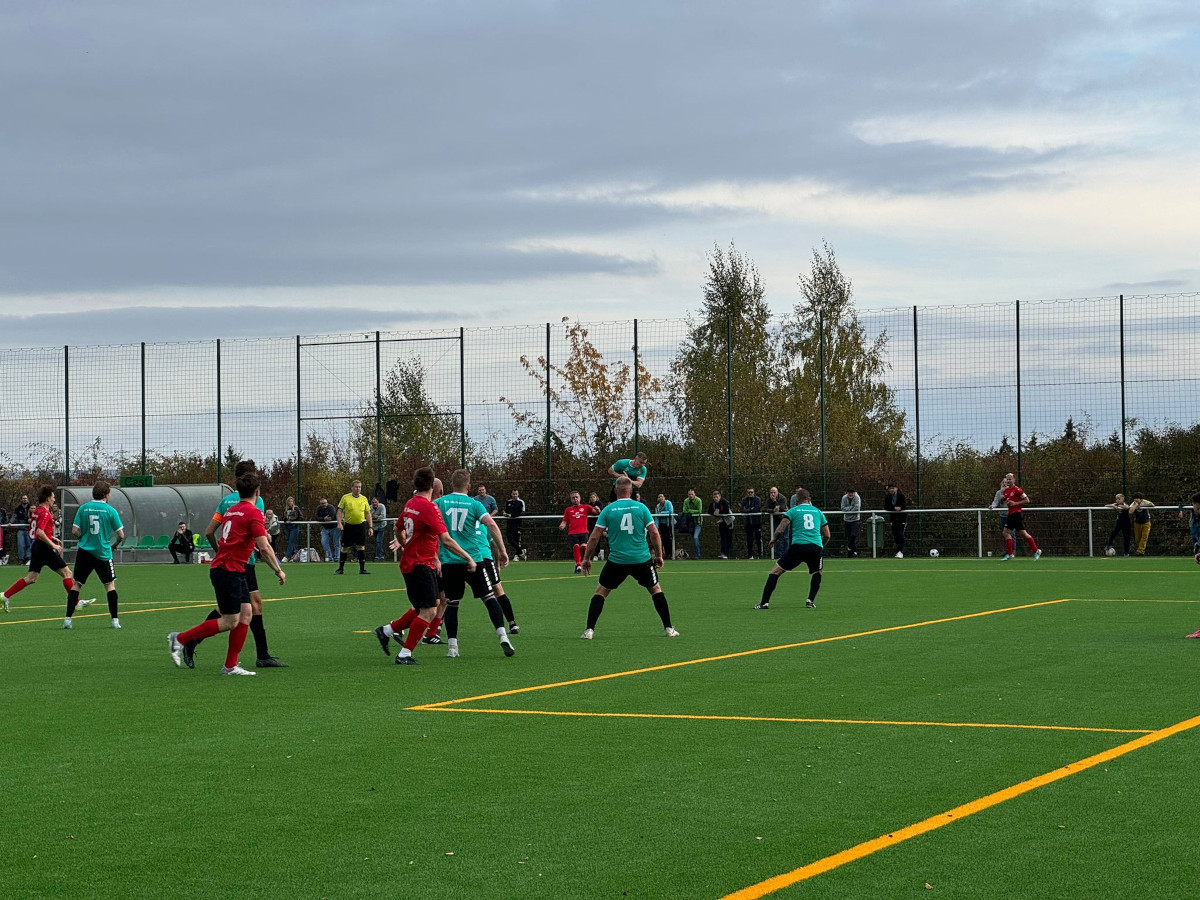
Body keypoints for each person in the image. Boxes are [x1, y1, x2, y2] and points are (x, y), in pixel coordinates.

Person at [169, 473, 286, 675]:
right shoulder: (254, 512)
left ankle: (230, 666)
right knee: (230, 621)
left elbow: (217, 532)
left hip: (232, 569)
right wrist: (278, 569)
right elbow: (265, 547)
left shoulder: (231, 510)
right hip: (228, 571)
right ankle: (180, 639)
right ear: (257, 493)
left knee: (246, 614)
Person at [372, 467, 475, 666]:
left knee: (427, 606)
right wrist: (468, 557)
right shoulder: (429, 508)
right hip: (419, 565)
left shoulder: (411, 504)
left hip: (416, 562)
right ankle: (404, 654)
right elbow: (446, 539)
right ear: (432, 486)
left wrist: (406, 546)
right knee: (429, 611)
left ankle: (386, 631)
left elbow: (398, 527)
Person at [422, 469, 516, 658]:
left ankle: (452, 647)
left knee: (453, 603)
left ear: (451, 485)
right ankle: (503, 636)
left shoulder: (439, 502)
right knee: (489, 598)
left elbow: (424, 524)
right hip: (473, 559)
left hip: (449, 562)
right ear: (469, 486)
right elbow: (491, 524)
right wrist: (503, 551)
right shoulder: (474, 504)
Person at [579, 475, 677, 640]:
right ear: (631, 491)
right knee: (655, 590)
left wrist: (586, 559)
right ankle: (669, 628)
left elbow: (594, 537)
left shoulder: (608, 510)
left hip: (617, 561)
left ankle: (589, 631)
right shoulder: (641, 508)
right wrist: (659, 555)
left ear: (616, 490)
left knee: (601, 592)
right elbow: (654, 533)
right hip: (642, 560)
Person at [2, 486, 74, 614]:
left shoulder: (37, 511)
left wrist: (52, 537)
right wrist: (53, 545)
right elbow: (40, 532)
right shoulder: (45, 513)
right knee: (67, 573)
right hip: (44, 547)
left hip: (37, 546)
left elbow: (36, 531)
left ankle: (5, 595)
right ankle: (76, 602)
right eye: (53, 496)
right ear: (47, 499)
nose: (54, 499)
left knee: (31, 578)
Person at [756, 488, 830, 610]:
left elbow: (781, 528)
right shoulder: (818, 512)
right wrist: (821, 545)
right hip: (815, 547)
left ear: (797, 500)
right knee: (818, 572)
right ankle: (810, 601)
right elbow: (827, 535)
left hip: (798, 547)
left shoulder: (793, 511)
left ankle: (764, 603)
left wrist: (774, 539)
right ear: (809, 499)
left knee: (775, 572)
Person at [65, 480, 126, 629]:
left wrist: (83, 539)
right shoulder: (110, 511)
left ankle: (67, 620)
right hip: (103, 553)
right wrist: (115, 545)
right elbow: (121, 535)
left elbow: (74, 530)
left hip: (84, 552)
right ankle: (115, 621)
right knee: (109, 585)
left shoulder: (84, 508)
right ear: (106, 494)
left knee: (77, 584)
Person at [335, 480, 374, 575]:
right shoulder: (345, 497)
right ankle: (340, 569)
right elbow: (339, 511)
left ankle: (362, 569)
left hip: (360, 526)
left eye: (359, 487)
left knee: (361, 546)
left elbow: (368, 513)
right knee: (345, 547)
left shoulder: (364, 499)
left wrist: (370, 527)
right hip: (349, 526)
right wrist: (339, 523)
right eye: (356, 487)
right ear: (352, 487)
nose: (358, 489)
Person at [1001, 475, 1041, 561]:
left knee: (1006, 532)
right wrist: (1002, 499)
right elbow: (1003, 501)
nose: (1008, 481)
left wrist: (1015, 503)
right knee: (1022, 533)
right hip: (1011, 514)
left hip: (1016, 514)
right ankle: (1036, 550)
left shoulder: (1018, 490)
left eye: (1010, 479)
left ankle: (1010, 554)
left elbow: (1027, 500)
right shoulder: (1006, 491)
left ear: (1014, 480)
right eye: (1007, 479)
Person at [560, 490, 599, 574]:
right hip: (573, 533)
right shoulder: (568, 510)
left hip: (584, 532)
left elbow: (596, 513)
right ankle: (578, 565)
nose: (575, 499)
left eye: (576, 497)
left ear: (580, 498)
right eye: (573, 498)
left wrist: (597, 510)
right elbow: (564, 521)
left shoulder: (586, 507)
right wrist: (562, 525)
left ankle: (580, 563)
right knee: (576, 547)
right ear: (571, 500)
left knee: (584, 548)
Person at [764, 487, 789, 559]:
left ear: (777, 492)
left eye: (774, 492)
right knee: (776, 537)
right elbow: (766, 508)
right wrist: (773, 510)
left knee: (786, 537)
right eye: (771, 492)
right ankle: (778, 555)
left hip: (785, 519)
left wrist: (775, 501)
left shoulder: (783, 498)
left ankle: (786, 554)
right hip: (776, 520)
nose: (773, 494)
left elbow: (782, 508)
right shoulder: (769, 500)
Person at [883, 484, 907, 558]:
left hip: (901, 518)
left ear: (896, 488)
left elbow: (903, 506)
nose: (891, 490)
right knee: (895, 535)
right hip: (893, 519)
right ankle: (898, 551)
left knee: (900, 534)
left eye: (893, 488)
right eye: (890, 488)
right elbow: (886, 506)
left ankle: (901, 551)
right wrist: (894, 508)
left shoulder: (901, 496)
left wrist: (900, 508)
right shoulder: (888, 497)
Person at [1104, 492, 1131, 557]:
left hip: (1126, 523)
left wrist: (1121, 506)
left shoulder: (1125, 504)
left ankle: (1126, 552)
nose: (1117, 500)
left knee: (1126, 537)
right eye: (1116, 499)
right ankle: (1109, 545)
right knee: (1114, 533)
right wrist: (1113, 506)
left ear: (1123, 499)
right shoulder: (1115, 504)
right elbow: (1106, 505)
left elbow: (1127, 507)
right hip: (1119, 522)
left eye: (1119, 499)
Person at [708, 490, 732, 559]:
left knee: (729, 538)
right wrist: (714, 513)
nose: (715, 498)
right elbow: (709, 511)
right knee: (723, 538)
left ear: (720, 497)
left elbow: (726, 511)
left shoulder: (724, 502)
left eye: (717, 497)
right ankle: (723, 553)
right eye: (714, 497)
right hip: (721, 522)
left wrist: (719, 512)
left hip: (729, 521)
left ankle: (727, 553)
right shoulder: (713, 504)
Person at [991, 476, 1012, 553]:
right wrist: (992, 506)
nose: (1004, 484)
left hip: (1010, 515)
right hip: (1002, 515)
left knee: (1011, 533)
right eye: (1003, 482)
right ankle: (1006, 551)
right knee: (1004, 534)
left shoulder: (1011, 492)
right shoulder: (999, 493)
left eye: (1006, 482)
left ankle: (1012, 551)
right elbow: (995, 501)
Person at [316, 497, 340, 564]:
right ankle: (330, 557)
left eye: (325, 503)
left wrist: (324, 518)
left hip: (334, 527)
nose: (323, 504)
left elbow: (331, 517)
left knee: (336, 543)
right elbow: (316, 517)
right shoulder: (319, 509)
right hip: (325, 528)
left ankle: (337, 558)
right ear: (320, 504)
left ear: (327, 503)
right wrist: (324, 518)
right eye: (322, 503)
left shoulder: (331, 507)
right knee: (324, 543)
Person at [740, 487, 762, 559]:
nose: (750, 494)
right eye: (749, 492)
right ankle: (750, 555)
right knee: (749, 539)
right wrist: (750, 509)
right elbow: (742, 510)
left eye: (751, 492)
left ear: (754, 492)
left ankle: (760, 555)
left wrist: (748, 510)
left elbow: (756, 509)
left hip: (757, 523)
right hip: (748, 523)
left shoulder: (757, 499)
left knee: (758, 539)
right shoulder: (744, 500)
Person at [681, 488, 703, 559]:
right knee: (692, 539)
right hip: (689, 522)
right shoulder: (686, 501)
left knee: (695, 537)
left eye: (692, 494)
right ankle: (693, 555)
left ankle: (698, 555)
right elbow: (684, 511)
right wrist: (692, 511)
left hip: (698, 522)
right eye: (689, 494)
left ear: (695, 494)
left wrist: (690, 511)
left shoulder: (698, 500)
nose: (690, 496)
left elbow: (699, 511)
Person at [504, 489, 526, 559]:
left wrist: (512, 515)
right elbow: (506, 511)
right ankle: (521, 551)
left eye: (516, 494)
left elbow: (523, 513)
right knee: (510, 539)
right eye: (513, 494)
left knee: (517, 539)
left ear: (518, 494)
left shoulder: (521, 502)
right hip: (509, 524)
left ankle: (517, 555)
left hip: (517, 524)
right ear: (511, 494)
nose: (514, 495)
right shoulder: (508, 502)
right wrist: (505, 513)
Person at [840, 489, 861, 558]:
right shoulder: (844, 498)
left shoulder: (857, 498)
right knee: (849, 537)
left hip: (855, 520)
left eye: (852, 493)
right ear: (847, 493)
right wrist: (851, 508)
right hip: (847, 520)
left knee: (853, 535)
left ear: (854, 493)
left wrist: (848, 510)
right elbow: (842, 508)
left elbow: (857, 508)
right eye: (849, 493)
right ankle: (853, 552)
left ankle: (849, 548)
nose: (851, 494)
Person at [654, 493, 675, 559]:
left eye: (662, 497)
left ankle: (671, 554)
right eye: (659, 497)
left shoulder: (668, 503)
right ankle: (665, 554)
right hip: (662, 525)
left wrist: (662, 513)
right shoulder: (657, 506)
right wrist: (656, 527)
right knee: (663, 539)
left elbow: (671, 511)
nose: (660, 498)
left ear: (664, 498)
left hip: (669, 524)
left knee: (669, 539)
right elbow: (657, 517)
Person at [13, 494, 31, 564]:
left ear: (27, 499)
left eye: (26, 498)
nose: (24, 499)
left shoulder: (31, 507)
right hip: (20, 529)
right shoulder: (18, 508)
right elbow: (14, 517)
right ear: (21, 499)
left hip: (28, 529)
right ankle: (21, 559)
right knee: (21, 544)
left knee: (29, 544)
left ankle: (28, 558)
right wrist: (10, 522)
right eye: (23, 498)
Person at [284, 496, 301, 561]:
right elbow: (284, 517)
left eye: (291, 501)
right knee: (290, 542)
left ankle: (287, 556)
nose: (290, 502)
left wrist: (292, 520)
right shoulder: (286, 509)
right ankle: (294, 555)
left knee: (291, 542)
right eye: (289, 501)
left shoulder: (296, 508)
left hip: (294, 527)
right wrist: (286, 520)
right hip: (287, 527)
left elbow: (300, 517)